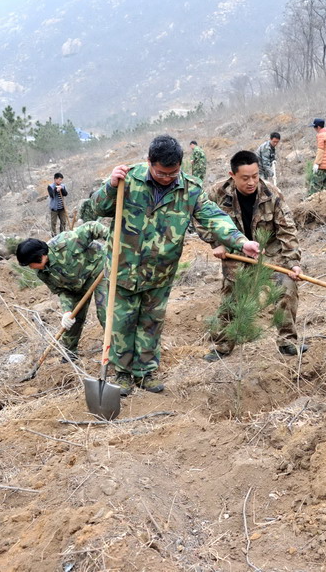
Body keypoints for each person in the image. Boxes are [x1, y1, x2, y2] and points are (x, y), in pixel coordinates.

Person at [89, 135, 260, 395]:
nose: (168, 178)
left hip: (160, 272)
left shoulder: (190, 189)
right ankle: (122, 375)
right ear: (149, 162)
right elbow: (98, 207)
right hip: (123, 269)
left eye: (173, 173)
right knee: (122, 324)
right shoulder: (127, 178)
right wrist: (110, 187)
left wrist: (239, 240)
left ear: (181, 165)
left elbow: (213, 217)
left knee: (151, 323)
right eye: (161, 173)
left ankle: (145, 373)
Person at [197, 150, 305, 361]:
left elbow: (287, 230)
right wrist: (215, 242)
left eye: (255, 176)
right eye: (245, 178)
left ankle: (287, 342)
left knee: (287, 287)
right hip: (236, 252)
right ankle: (223, 345)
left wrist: (293, 262)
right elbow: (199, 218)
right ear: (232, 175)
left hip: (269, 252)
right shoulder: (216, 193)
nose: (251, 182)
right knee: (232, 295)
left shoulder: (272, 194)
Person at [15, 220, 110, 362]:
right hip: (76, 287)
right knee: (71, 321)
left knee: (105, 313)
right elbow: (62, 291)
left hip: (99, 271)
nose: (30, 267)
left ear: (40, 256)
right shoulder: (42, 273)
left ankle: (117, 351)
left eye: (30, 264)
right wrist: (67, 312)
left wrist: (112, 239)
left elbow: (92, 227)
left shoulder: (66, 242)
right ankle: (70, 355)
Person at [308, 118, 326, 195]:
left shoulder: (320, 135)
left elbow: (320, 150)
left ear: (318, 127)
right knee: (324, 186)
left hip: (323, 164)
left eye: (314, 127)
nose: (314, 129)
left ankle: (312, 203)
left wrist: (317, 163)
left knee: (315, 186)